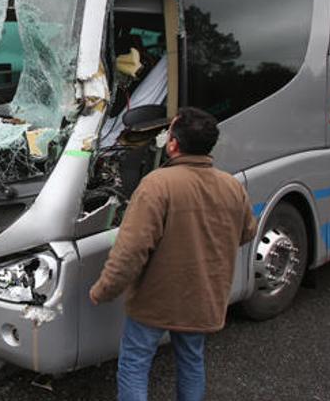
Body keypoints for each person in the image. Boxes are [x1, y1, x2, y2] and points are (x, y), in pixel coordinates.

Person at [89, 107, 257, 401]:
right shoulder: (232, 186)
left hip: (155, 301)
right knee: (191, 361)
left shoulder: (157, 184)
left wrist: (103, 290)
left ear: (173, 145)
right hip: (203, 298)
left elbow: (130, 251)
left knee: (135, 364)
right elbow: (247, 232)